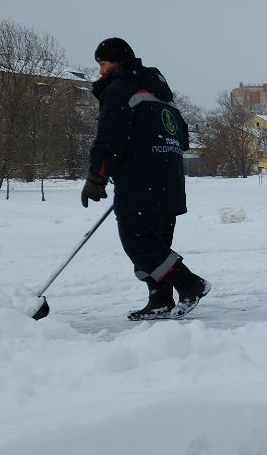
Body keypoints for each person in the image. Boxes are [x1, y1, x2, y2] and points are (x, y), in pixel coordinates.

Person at [82, 37, 209, 320]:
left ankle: (191, 284)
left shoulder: (119, 89)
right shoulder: (164, 95)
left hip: (140, 182)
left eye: (102, 64)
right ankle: (160, 300)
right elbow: (184, 139)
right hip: (171, 181)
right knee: (157, 243)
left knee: (139, 243)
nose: (101, 71)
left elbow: (110, 138)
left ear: (115, 62)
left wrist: (97, 176)